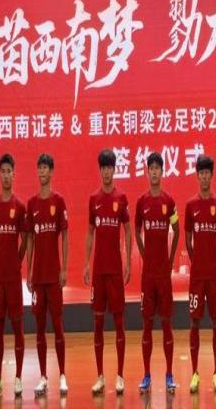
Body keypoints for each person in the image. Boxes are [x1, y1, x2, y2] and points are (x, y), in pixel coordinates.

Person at [84, 149, 132, 395]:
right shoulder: (93, 199)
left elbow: (128, 230)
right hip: (99, 272)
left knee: (119, 322)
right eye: (103, 167)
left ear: (115, 169)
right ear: (100, 170)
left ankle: (120, 376)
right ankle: (100, 376)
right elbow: (90, 233)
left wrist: (128, 263)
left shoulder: (121, 198)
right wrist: (86, 263)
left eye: (110, 167)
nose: (106, 171)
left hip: (114, 271)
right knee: (98, 323)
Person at [135, 152, 180, 394]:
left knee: (166, 324)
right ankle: (146, 374)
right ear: (147, 172)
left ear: (162, 172)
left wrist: (170, 260)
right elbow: (136, 231)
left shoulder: (168, 201)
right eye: (151, 168)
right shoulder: (141, 202)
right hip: (148, 276)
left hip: (163, 276)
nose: (154, 172)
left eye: (157, 168)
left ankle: (169, 374)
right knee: (147, 325)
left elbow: (177, 229)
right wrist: (145, 256)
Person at [26, 153, 69, 396]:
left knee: (58, 325)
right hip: (38, 278)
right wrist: (28, 270)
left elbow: (65, 235)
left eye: (45, 168)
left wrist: (64, 268)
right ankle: (43, 376)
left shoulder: (58, 201)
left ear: (51, 172)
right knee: (39, 327)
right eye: (39, 167)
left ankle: (62, 375)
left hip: (53, 277)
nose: (42, 171)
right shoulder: (31, 204)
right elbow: (30, 239)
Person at [184, 155, 216, 393]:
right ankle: (194, 373)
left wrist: (212, 260)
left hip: (214, 275)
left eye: (207, 173)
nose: (203, 177)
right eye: (200, 173)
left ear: (212, 175)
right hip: (197, 276)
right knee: (194, 321)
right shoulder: (191, 205)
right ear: (197, 175)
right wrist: (198, 261)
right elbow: (188, 240)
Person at [0, 154, 27, 398]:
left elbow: (25, 241)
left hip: (13, 279)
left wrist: (16, 262)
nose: (6, 175)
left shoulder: (19, 207)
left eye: (9, 171)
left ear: (14, 174)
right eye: (3, 171)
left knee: (18, 327)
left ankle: (19, 378)